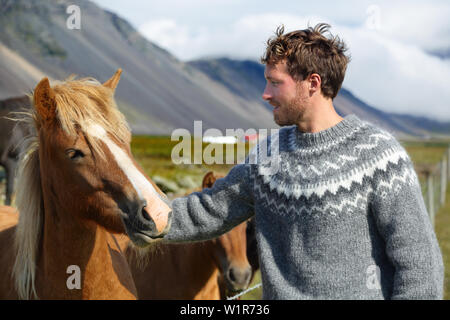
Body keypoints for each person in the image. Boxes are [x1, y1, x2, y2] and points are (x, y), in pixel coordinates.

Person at [163, 23, 444, 299]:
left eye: (275, 83)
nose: (265, 94)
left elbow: (419, 264)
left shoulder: (381, 156)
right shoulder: (266, 156)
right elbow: (210, 208)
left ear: (312, 83)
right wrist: (141, 213)